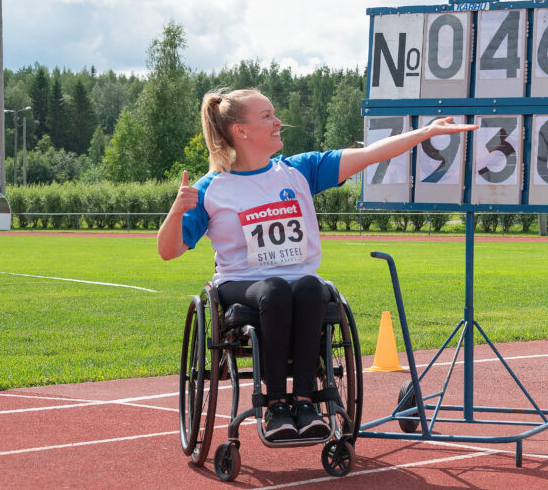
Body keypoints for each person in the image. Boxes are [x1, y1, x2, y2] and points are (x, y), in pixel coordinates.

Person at [157, 88, 476, 441]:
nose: (279, 122)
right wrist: (176, 211)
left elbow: (369, 155)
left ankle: (306, 403)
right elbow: (168, 250)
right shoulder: (211, 188)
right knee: (275, 290)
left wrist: (425, 133)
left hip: (299, 283)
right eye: (267, 117)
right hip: (240, 283)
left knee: (312, 287)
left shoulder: (299, 171)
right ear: (240, 130)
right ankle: (276, 406)